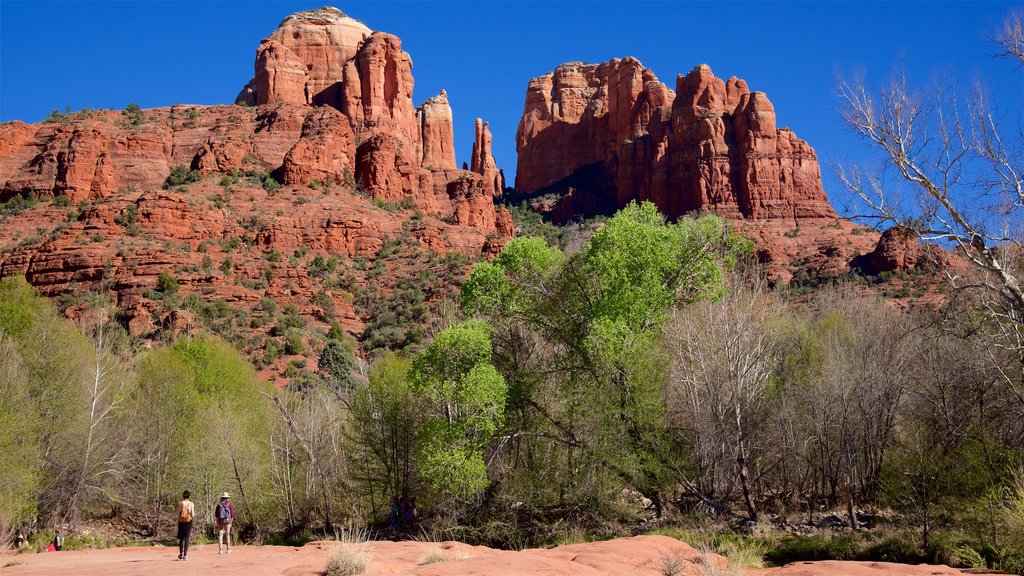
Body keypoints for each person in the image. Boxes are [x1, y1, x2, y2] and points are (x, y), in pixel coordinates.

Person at [176, 490, 194, 561]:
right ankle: (185, 555)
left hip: (181, 522)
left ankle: (181, 554)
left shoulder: (180, 503)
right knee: (187, 538)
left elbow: (178, 513)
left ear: (183, 496)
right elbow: (193, 514)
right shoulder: (191, 504)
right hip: (188, 522)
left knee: (181, 539)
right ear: (189, 496)